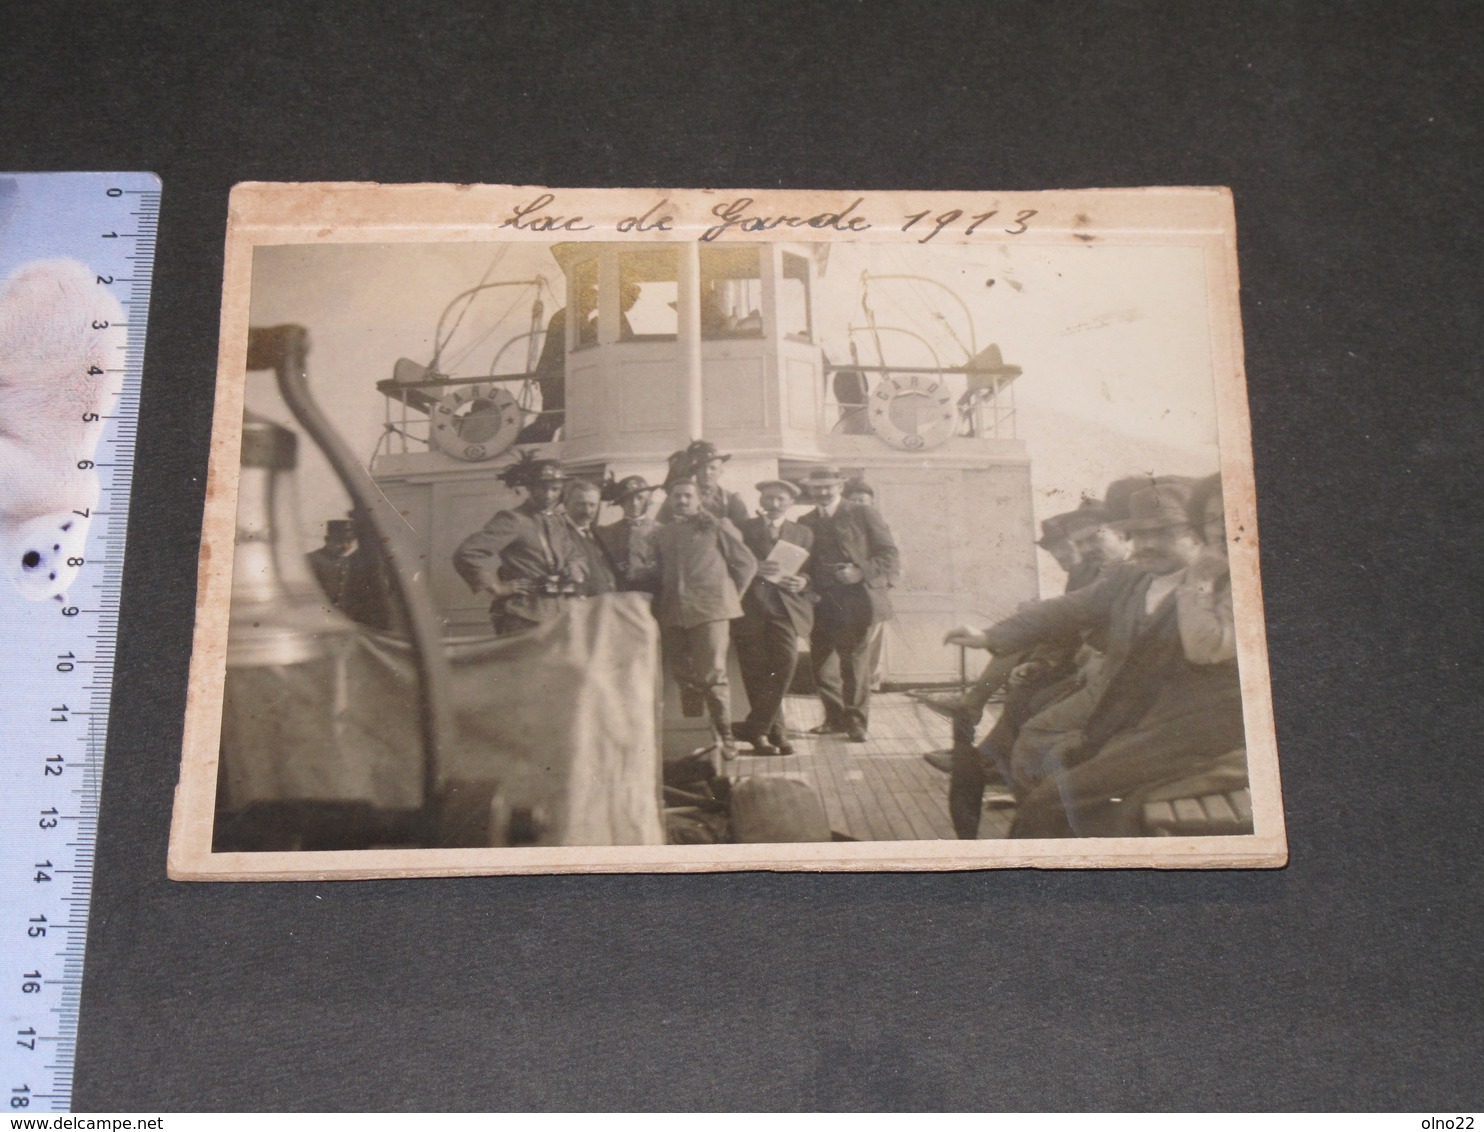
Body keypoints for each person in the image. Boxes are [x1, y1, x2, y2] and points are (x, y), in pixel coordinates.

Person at [636, 476, 758, 760]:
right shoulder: (662, 534)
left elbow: (746, 563)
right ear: (670, 499)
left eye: (688, 496)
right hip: (674, 612)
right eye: (677, 496)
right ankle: (696, 734)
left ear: (699, 499)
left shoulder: (717, 525)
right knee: (683, 674)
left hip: (710, 612)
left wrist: (729, 597)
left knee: (713, 675)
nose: (682, 501)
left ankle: (726, 737)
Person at [797, 466, 900, 743]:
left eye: (828, 486)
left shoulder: (863, 513)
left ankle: (856, 722)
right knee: (821, 665)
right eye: (817, 487)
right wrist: (807, 584)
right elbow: (802, 562)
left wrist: (859, 571)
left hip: (856, 600)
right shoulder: (805, 521)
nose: (822, 492)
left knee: (854, 663)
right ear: (810, 489)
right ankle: (834, 718)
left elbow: (889, 555)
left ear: (839, 487)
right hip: (821, 602)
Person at [451, 454, 587, 635]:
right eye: (542, 488)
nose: (548, 495)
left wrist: (574, 567)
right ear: (530, 488)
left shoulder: (557, 521)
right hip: (524, 615)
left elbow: (574, 554)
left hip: (559, 613)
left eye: (555, 489)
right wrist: (497, 587)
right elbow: (467, 552)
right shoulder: (513, 520)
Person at [732, 479, 814, 756]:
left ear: (791, 502)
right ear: (761, 500)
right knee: (756, 671)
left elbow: (812, 571)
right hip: (749, 608)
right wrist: (754, 568)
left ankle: (756, 728)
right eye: (769, 498)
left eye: (781, 499)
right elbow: (729, 564)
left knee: (786, 662)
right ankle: (774, 734)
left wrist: (802, 581)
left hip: (784, 608)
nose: (775, 504)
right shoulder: (742, 530)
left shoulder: (803, 532)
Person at [306, 516, 389, 628]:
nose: (345, 546)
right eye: (339, 541)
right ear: (327, 540)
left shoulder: (350, 562)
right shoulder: (311, 560)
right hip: (319, 621)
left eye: (349, 541)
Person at [655, 439, 750, 526]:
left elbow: (744, 533)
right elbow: (659, 528)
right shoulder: (677, 497)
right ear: (695, 470)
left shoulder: (731, 500)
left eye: (713, 468)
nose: (707, 472)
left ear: (720, 472)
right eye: (702, 467)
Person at [596, 474, 659, 595]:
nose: (634, 503)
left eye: (639, 498)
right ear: (621, 502)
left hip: (650, 593)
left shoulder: (660, 531)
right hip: (617, 593)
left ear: (648, 500)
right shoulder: (606, 532)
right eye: (629, 499)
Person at [561, 479, 617, 597]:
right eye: (580, 504)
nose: (587, 511)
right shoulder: (559, 532)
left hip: (603, 604)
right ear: (566, 504)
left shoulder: (598, 533)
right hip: (578, 605)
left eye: (592, 505)